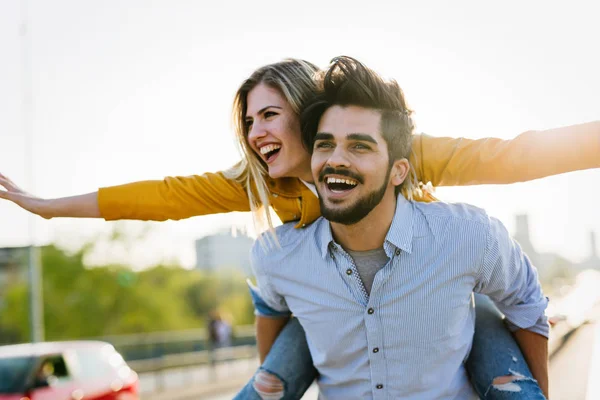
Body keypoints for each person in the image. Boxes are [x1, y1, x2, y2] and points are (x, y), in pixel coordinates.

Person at [0, 58, 598, 399]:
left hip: (442, 293)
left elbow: (511, 155)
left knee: (500, 354)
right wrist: (52, 207)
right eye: (249, 119)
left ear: (306, 116)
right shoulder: (260, 183)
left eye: (270, 115)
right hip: (327, 299)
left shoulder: (389, 149)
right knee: (273, 366)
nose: (257, 132)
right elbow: (164, 198)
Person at [250, 56, 549, 399]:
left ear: (398, 171)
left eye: (360, 146)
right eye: (325, 144)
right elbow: (270, 312)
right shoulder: (277, 255)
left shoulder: (468, 236)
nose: (336, 159)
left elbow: (526, 303)